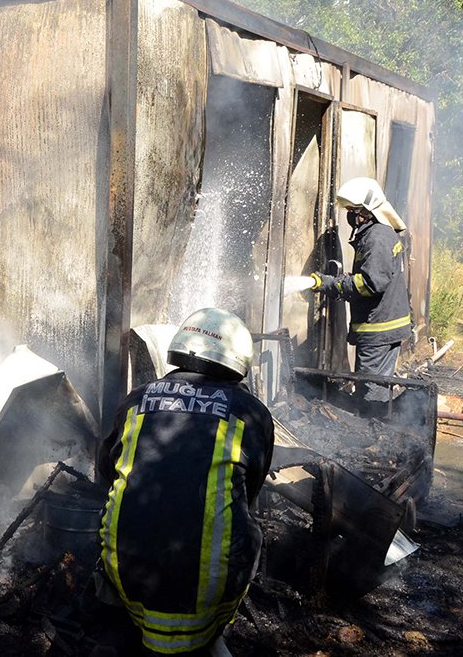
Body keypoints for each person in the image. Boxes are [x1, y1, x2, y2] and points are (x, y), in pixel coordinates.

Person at [94, 308, 275, 655]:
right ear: (238, 361)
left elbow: (105, 472)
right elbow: (250, 492)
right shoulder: (251, 413)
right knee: (250, 528)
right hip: (211, 587)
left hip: (127, 573)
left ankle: (121, 629)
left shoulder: (135, 401)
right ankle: (211, 638)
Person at [308, 177, 411, 407]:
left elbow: (371, 283)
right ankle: (378, 425)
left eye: (353, 210)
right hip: (384, 326)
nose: (350, 215)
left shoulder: (376, 237)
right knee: (377, 386)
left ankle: (372, 430)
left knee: (370, 393)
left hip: (379, 330)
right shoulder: (376, 234)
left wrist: (331, 285)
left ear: (367, 211)